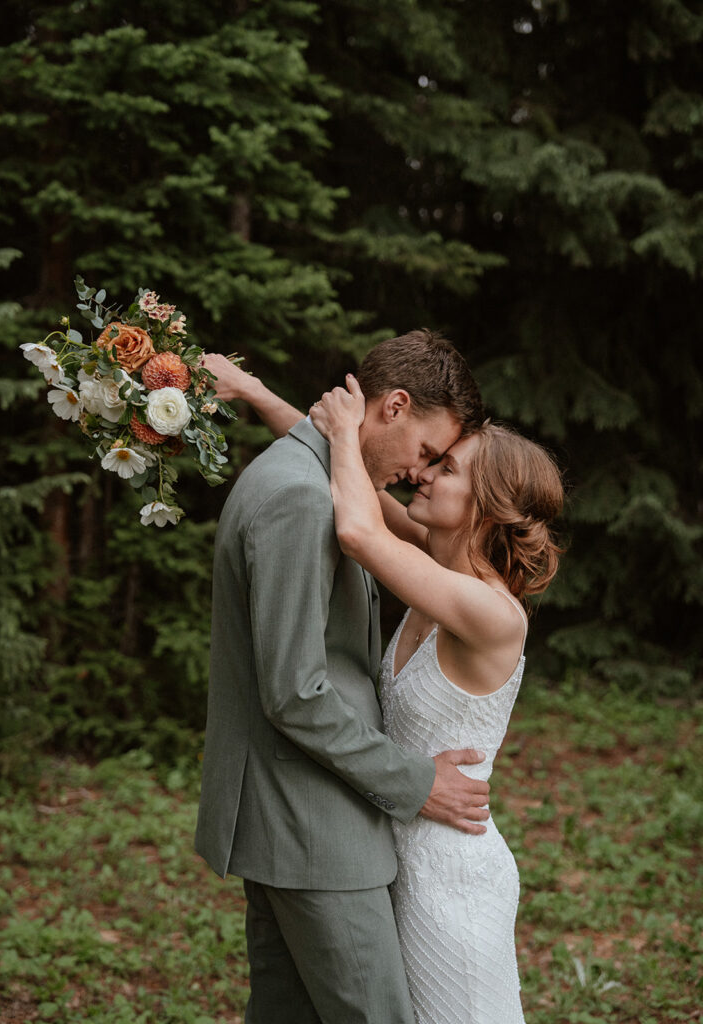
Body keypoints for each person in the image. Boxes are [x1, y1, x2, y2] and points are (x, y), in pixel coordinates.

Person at [196, 331, 494, 1024]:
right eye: (426, 452)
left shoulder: (314, 478)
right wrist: (420, 785)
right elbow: (297, 693)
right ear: (393, 406)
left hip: (292, 820)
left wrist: (256, 394)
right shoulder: (300, 498)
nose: (421, 473)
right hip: (313, 829)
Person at [309, 378, 564, 1024]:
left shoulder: (491, 613)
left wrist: (343, 431)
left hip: (454, 884)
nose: (421, 474)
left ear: (488, 501)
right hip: (396, 864)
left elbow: (360, 534)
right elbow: (362, 490)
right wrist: (257, 395)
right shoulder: (438, 569)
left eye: (446, 468)